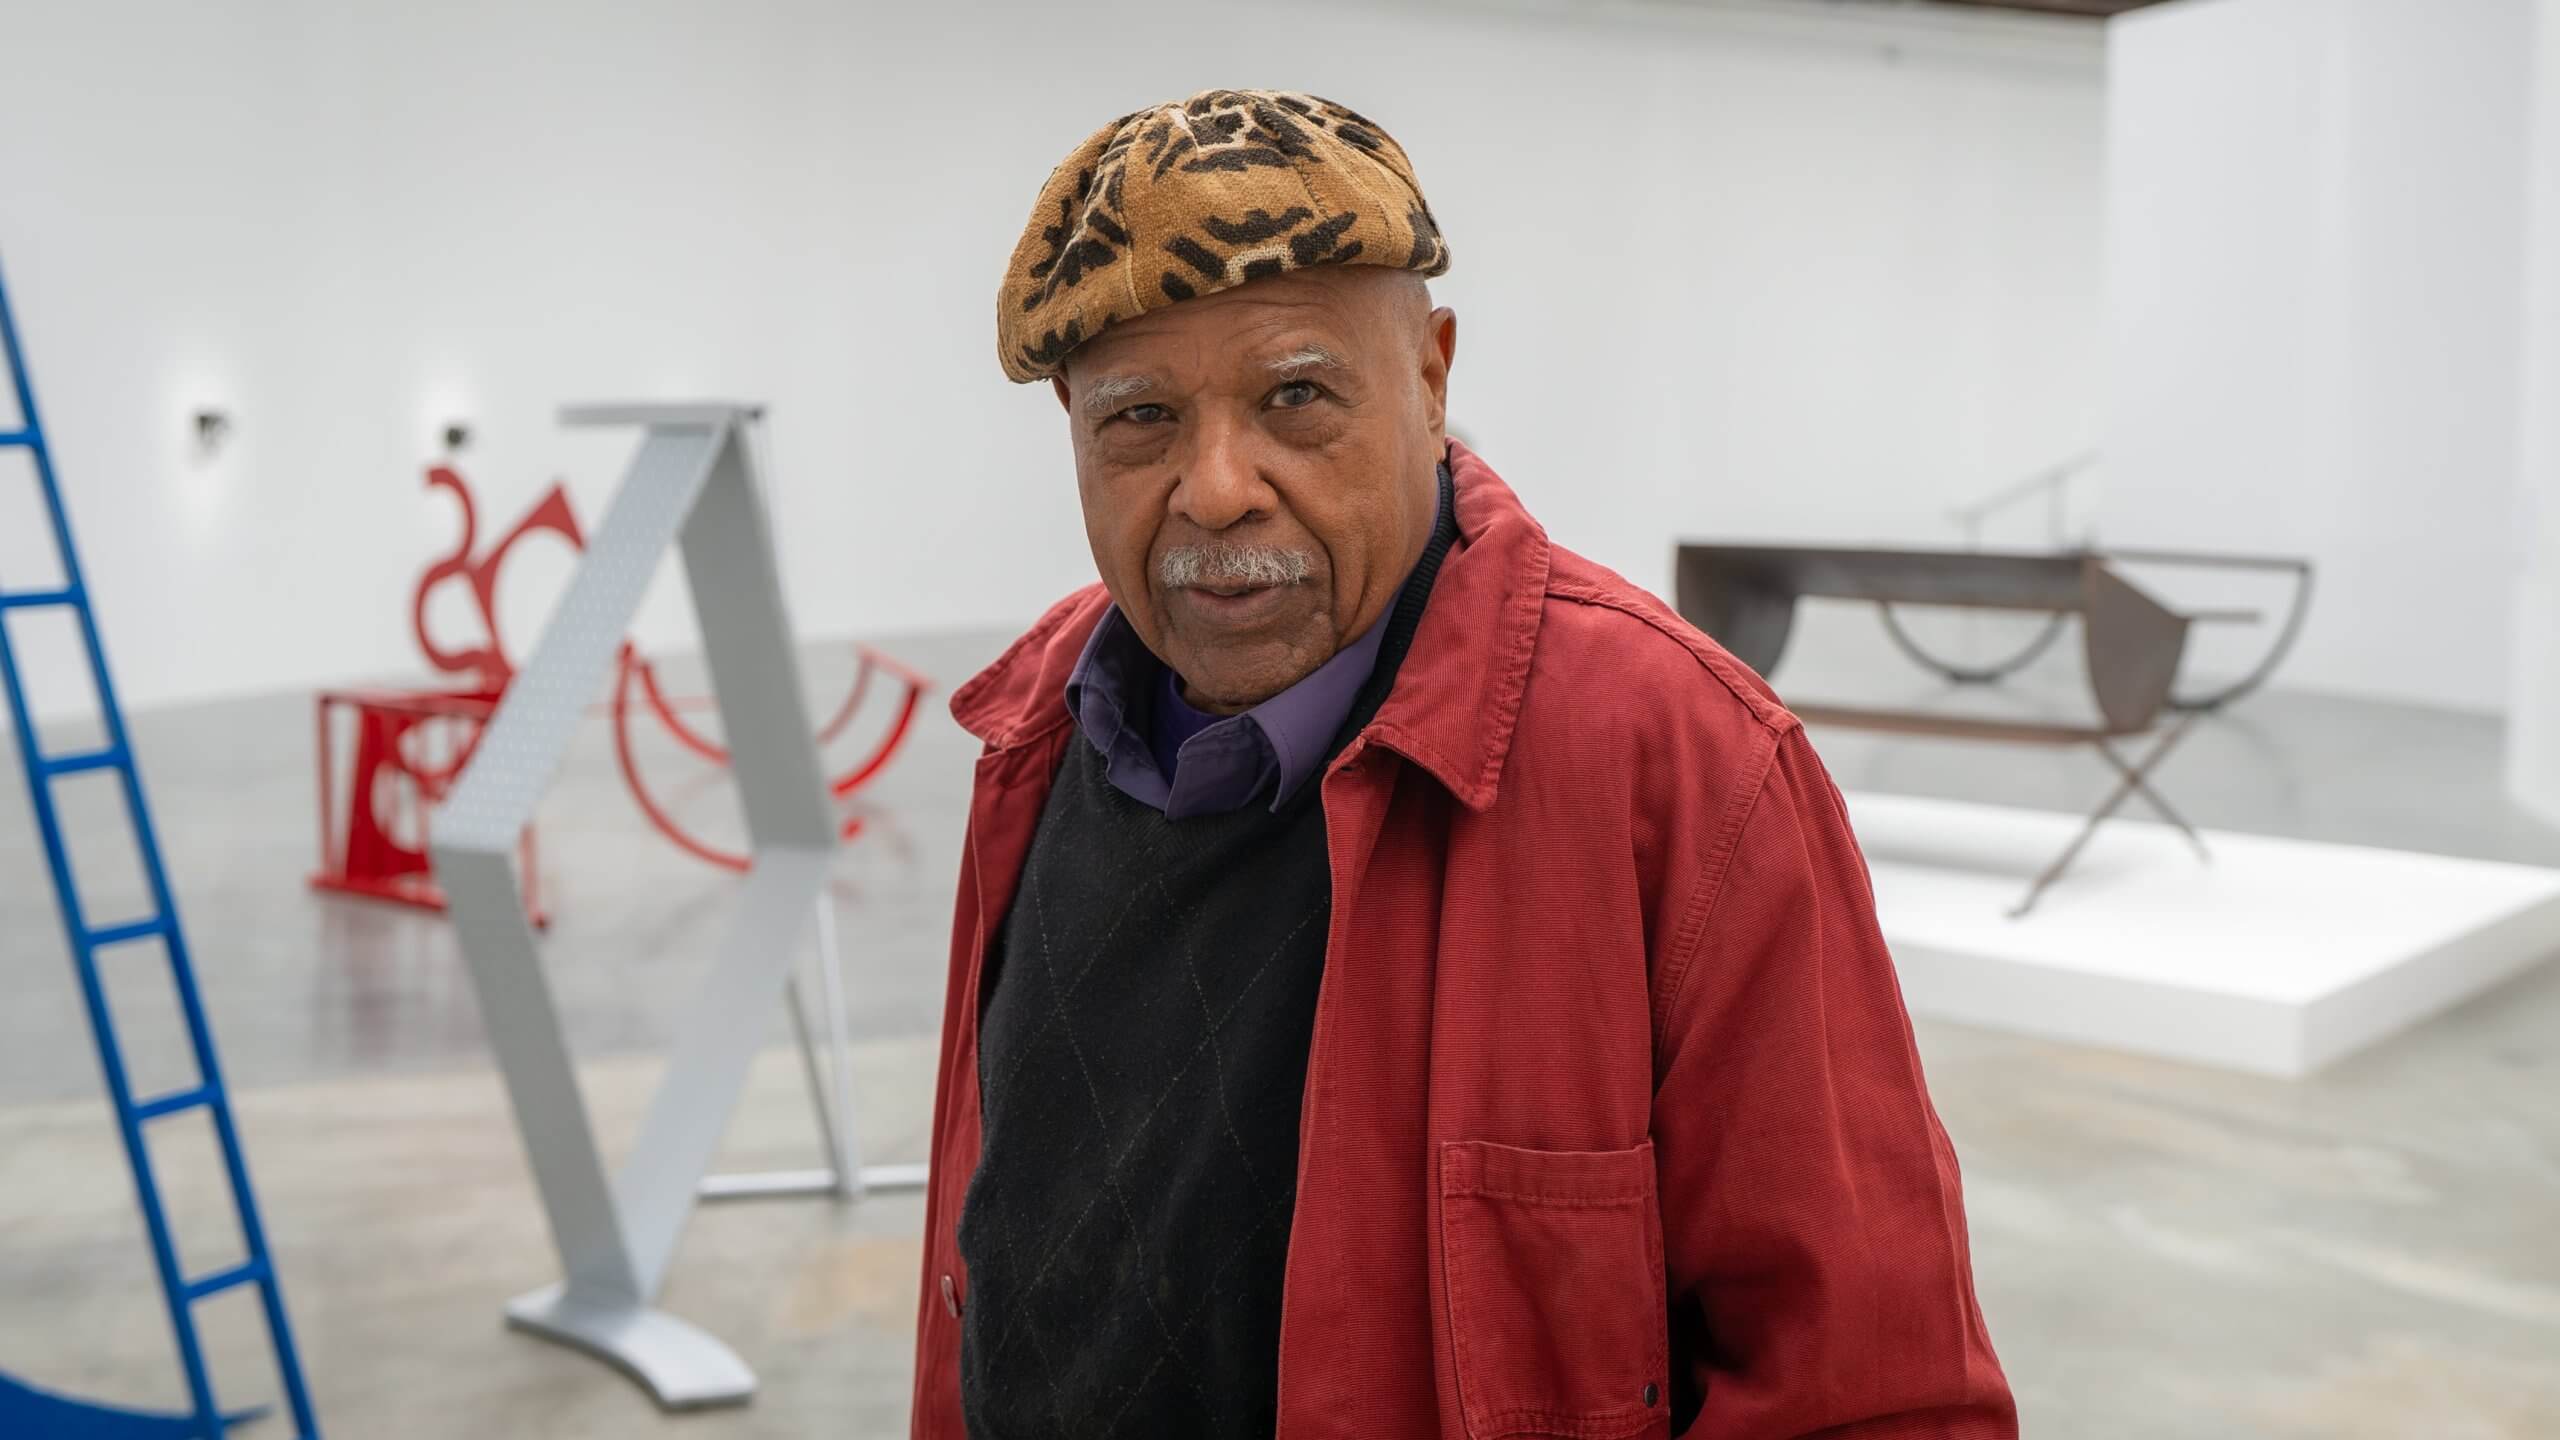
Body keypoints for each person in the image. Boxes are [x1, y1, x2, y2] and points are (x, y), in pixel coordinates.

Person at [910, 88, 2016, 1440]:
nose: (1214, 489)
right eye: (1138, 419)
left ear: (1432, 381)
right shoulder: (1030, 731)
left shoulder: (1677, 762)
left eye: (1297, 396)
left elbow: (1874, 1394)